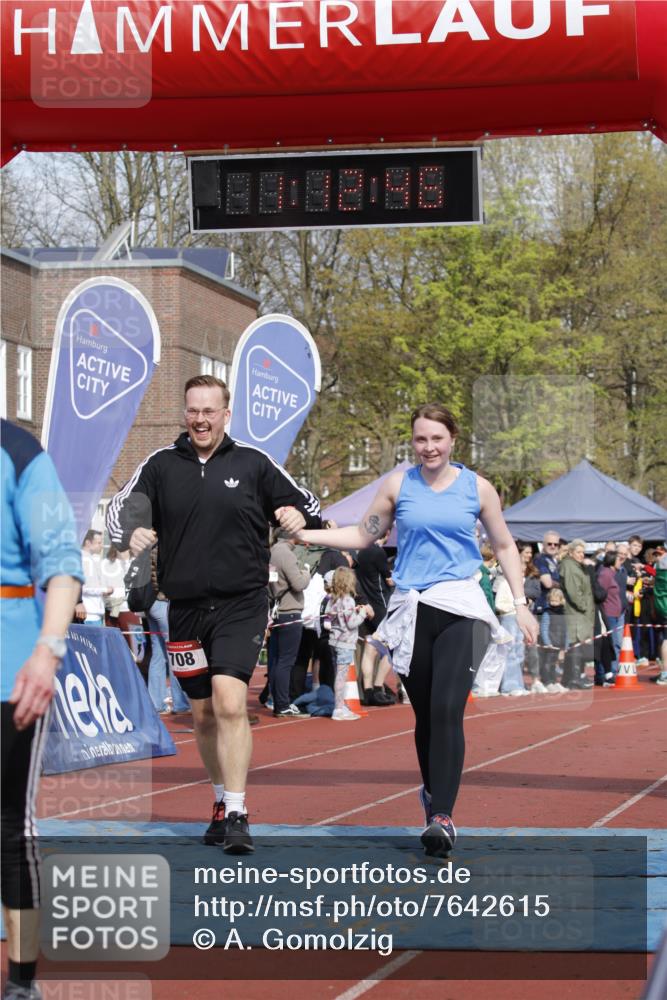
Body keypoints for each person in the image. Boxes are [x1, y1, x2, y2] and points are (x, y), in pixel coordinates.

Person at [296, 403, 538, 857]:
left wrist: (521, 604)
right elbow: (363, 535)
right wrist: (308, 535)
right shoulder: (397, 485)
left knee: (447, 708)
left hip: (463, 606)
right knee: (425, 715)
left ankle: (443, 816)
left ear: (453, 440)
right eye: (421, 439)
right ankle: (433, 797)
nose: (429, 447)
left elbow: (504, 545)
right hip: (413, 608)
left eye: (437, 439)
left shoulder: (477, 488)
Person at [106, 375, 320, 854]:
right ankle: (222, 801)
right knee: (202, 715)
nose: (200, 420)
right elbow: (118, 511)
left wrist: (296, 516)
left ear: (226, 414)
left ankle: (239, 812)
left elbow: (309, 504)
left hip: (241, 604)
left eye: (209, 411)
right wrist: (130, 534)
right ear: (185, 413)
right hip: (183, 609)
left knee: (229, 701)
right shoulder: (161, 464)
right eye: (193, 411)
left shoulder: (253, 463)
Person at [1, 420, 82, 1000]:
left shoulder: (19, 452)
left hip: (11, 669)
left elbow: (61, 563)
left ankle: (21, 981)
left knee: (7, 825)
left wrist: (48, 650)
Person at [268, 530, 311, 717]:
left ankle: (278, 703)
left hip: (278, 611)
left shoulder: (272, 551)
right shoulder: (286, 553)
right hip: (290, 611)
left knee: (277, 660)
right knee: (286, 661)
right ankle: (283, 704)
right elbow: (299, 584)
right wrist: (306, 573)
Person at [355, 531, 395, 706]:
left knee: (369, 648)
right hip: (380, 604)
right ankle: (378, 687)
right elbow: (389, 580)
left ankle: (368, 690)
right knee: (392, 647)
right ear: (386, 533)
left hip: (366, 604)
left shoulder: (360, 552)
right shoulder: (378, 552)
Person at [559, 539, 595, 690]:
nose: (581, 555)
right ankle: (573, 679)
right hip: (576, 613)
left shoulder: (577, 566)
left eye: (583, 552)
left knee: (578, 646)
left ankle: (570, 678)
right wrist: (584, 606)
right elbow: (574, 591)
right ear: (571, 552)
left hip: (581, 613)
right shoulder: (569, 566)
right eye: (578, 552)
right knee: (576, 646)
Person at [75, 529, 112, 624]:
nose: (101, 546)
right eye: (98, 543)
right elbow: (84, 587)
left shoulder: (90, 558)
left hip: (94, 612)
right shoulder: (84, 560)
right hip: (89, 614)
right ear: (88, 543)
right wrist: (105, 589)